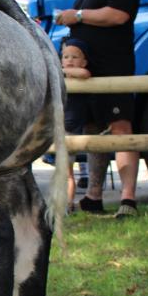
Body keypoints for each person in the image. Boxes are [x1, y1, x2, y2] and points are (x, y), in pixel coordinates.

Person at [54, 0, 142, 218]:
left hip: (114, 68)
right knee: (93, 131)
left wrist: (76, 15)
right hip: (88, 74)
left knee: (121, 129)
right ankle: (93, 196)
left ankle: (128, 199)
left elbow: (118, 15)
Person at [60, 37, 93, 210]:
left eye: (74, 57)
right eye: (66, 57)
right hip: (58, 126)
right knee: (62, 171)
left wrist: (65, 72)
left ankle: (68, 204)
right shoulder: (60, 76)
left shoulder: (78, 75)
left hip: (70, 128)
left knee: (67, 172)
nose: (70, 60)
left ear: (84, 62)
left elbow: (84, 74)